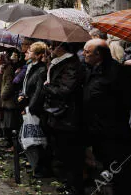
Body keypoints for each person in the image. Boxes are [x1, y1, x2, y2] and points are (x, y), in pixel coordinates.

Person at [82, 39, 131, 195]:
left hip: (114, 131)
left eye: (87, 52)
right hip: (97, 130)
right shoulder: (91, 69)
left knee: (120, 170)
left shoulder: (116, 72)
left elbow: (124, 102)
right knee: (106, 168)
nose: (84, 54)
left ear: (99, 54)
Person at [43, 41, 85, 195]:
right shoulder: (58, 63)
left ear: (62, 48)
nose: (51, 49)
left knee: (71, 154)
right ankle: (68, 183)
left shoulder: (71, 64)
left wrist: (47, 86)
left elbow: (65, 90)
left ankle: (74, 187)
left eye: (53, 46)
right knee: (62, 153)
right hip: (57, 115)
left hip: (67, 116)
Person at [18, 41, 50, 178]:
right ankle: (35, 166)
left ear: (38, 55)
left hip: (35, 110)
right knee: (28, 138)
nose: (26, 52)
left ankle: (40, 168)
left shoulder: (41, 70)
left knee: (36, 139)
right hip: (27, 105)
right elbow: (26, 87)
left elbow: (38, 92)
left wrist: (29, 107)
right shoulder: (30, 66)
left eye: (30, 51)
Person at [0, 52, 20, 149]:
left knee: (10, 123)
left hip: (9, 100)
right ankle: (9, 141)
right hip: (7, 100)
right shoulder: (7, 68)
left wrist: (3, 95)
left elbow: (9, 84)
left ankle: (11, 143)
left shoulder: (9, 69)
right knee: (7, 122)